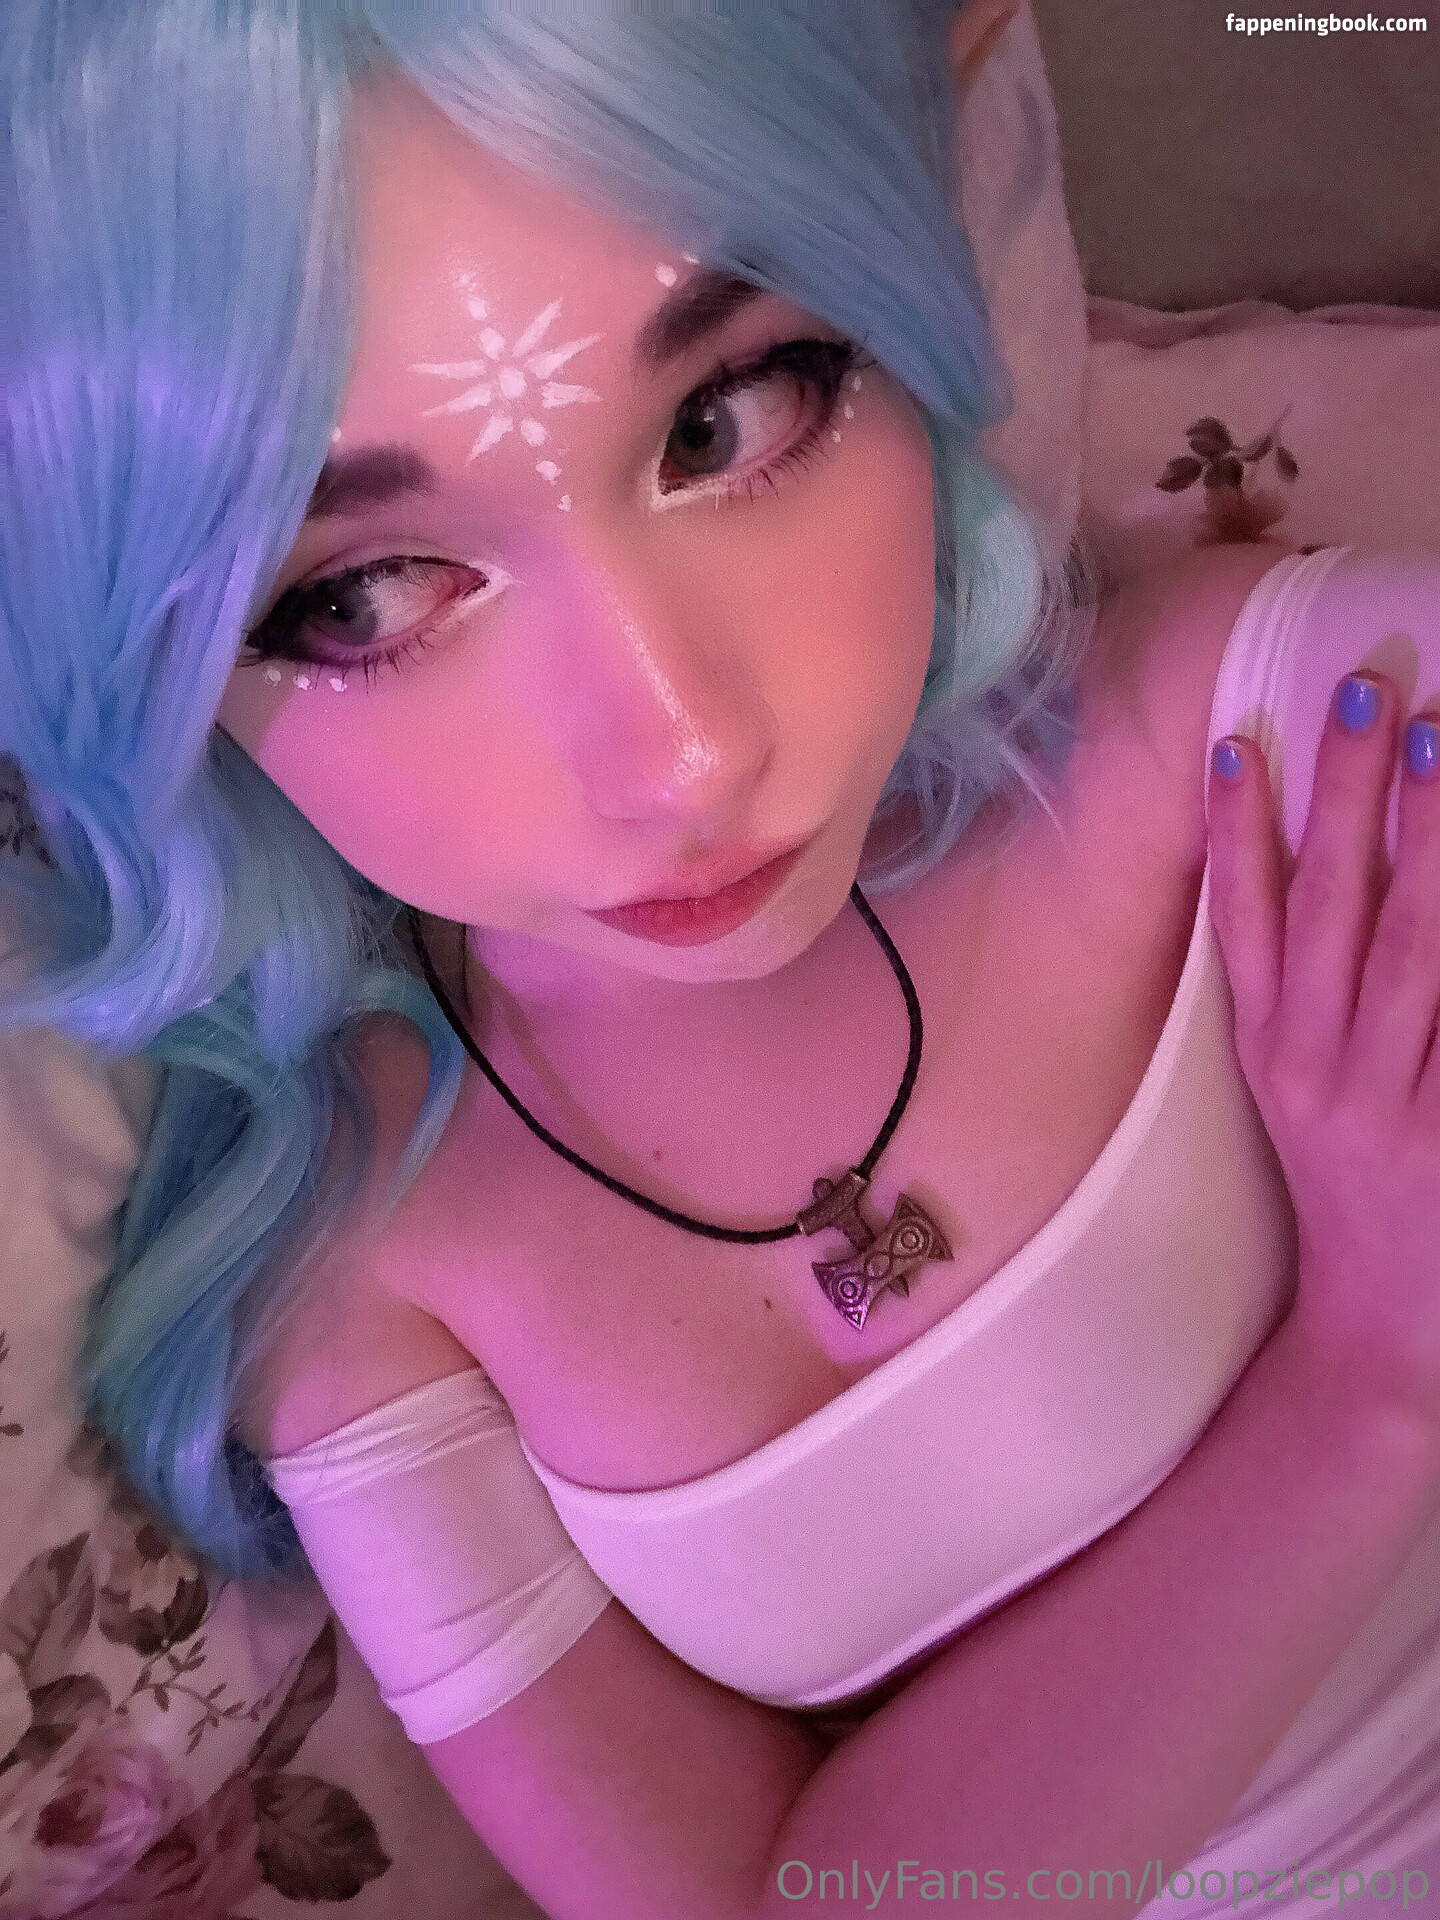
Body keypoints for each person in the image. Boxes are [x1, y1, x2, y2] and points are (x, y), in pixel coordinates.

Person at [3, 4, 1438, 1917]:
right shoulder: (358, 1280)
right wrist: (1367, 1390)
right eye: (359, 595)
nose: (681, 754)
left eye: (727, 417)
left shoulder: (1239, 746)